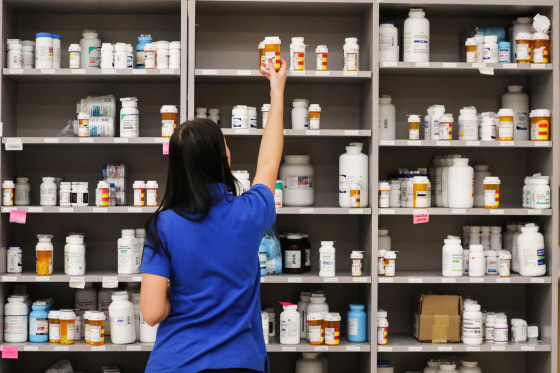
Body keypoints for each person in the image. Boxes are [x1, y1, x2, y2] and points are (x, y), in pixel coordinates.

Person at [139, 57, 287, 373]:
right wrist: (277, 90)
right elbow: (268, 164)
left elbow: (152, 312)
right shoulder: (251, 212)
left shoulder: (162, 225)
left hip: (174, 362)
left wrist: (180, 300)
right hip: (240, 363)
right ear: (224, 157)